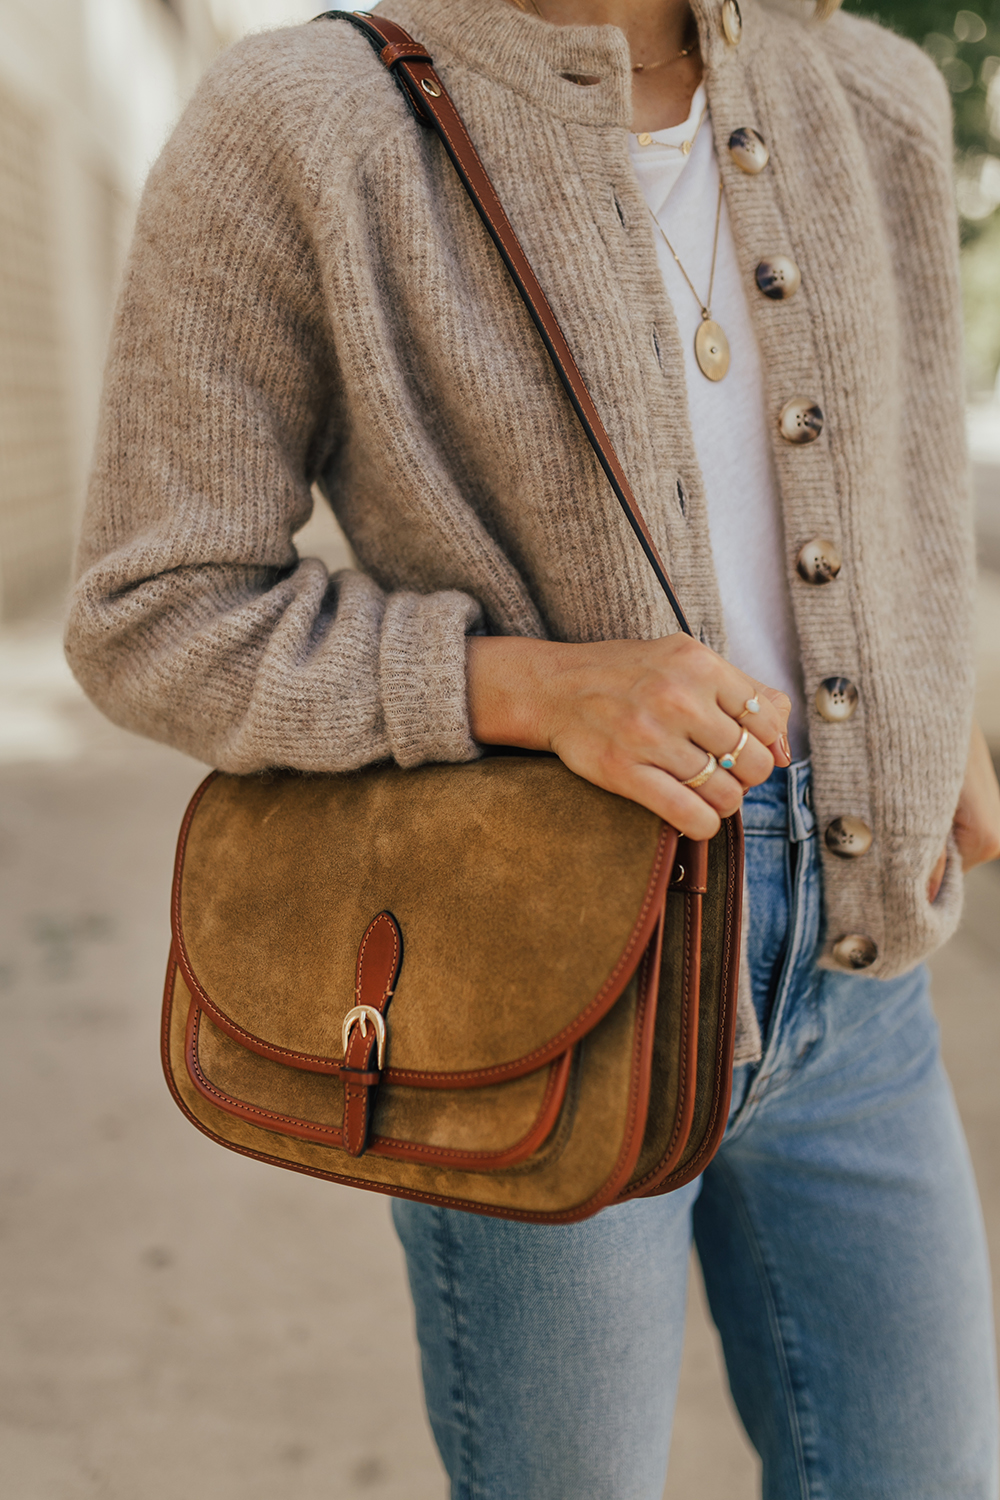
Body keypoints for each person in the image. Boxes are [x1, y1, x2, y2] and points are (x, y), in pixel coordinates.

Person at [66, 0, 1000, 1492]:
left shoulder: (870, 94)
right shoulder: (309, 119)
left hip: (860, 976)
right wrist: (528, 689)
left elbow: (899, 473)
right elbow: (152, 611)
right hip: (543, 981)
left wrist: (925, 694)